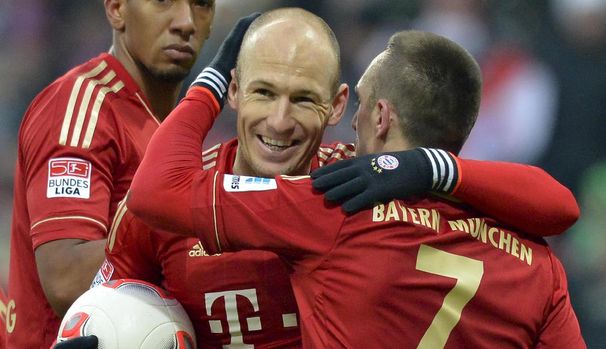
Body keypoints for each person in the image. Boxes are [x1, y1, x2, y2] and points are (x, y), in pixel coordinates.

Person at [79, 8, 576, 349]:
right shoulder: (535, 259)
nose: (278, 121)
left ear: (342, 107)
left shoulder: (334, 198)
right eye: (263, 93)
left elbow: (156, 189)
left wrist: (205, 83)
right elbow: (560, 206)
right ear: (237, 93)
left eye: (302, 99)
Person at [5, 0, 215, 347]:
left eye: (202, 5)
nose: (186, 22)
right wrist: (189, 228)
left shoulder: (176, 127)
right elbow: (66, 279)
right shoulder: (82, 106)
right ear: (117, 8)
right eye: (163, 1)